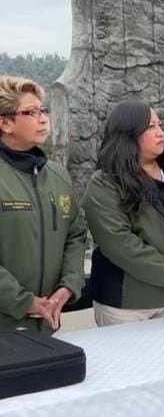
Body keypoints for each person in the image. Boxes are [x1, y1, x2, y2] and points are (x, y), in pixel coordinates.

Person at [83, 102, 164, 326]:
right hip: (126, 304)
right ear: (128, 133)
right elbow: (119, 244)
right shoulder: (105, 183)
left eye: (160, 125)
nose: (160, 132)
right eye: (150, 126)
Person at [0, 76, 86, 333]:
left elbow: (75, 234)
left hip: (47, 322)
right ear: (5, 123)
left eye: (43, 110)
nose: (43, 118)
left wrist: (68, 287)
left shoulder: (58, 175)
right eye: (31, 112)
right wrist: (25, 302)